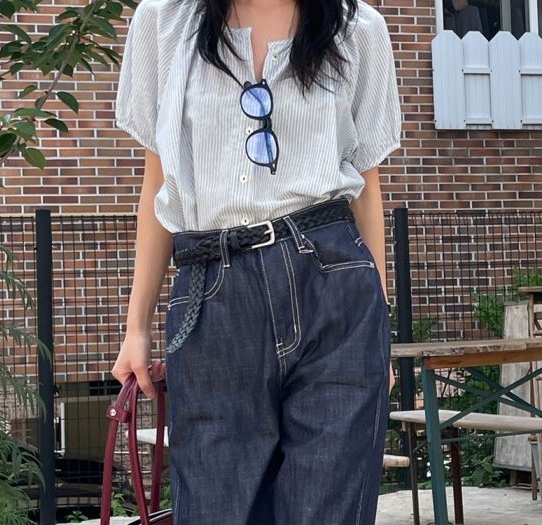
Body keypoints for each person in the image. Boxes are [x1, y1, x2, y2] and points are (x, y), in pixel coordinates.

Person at [110, 0, 402, 523]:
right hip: (213, 288)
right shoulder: (165, 20)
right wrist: (137, 326)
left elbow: (367, 184)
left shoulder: (358, 27)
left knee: (328, 507)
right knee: (217, 505)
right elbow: (158, 182)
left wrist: (380, 327)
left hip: (334, 283)